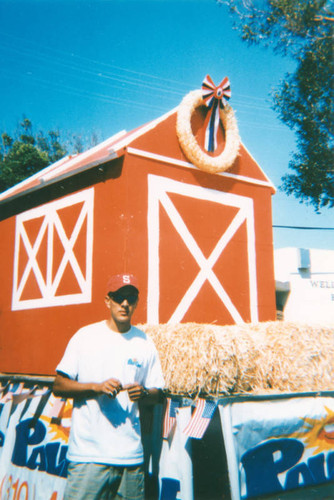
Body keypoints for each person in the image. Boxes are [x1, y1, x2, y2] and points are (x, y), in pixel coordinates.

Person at [53, 273, 165, 500]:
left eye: (131, 298)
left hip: (131, 458)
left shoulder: (144, 342)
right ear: (108, 301)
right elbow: (58, 385)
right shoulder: (85, 336)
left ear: (136, 302)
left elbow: (158, 393)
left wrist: (143, 393)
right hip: (89, 457)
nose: (125, 304)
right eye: (119, 297)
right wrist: (96, 387)